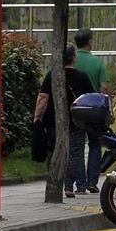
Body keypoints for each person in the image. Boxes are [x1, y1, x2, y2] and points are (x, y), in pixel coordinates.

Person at [33, 44, 94, 198]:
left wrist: (36, 117)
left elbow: (42, 98)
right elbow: (90, 99)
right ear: (74, 58)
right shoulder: (82, 77)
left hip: (53, 120)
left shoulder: (52, 75)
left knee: (56, 151)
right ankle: (75, 185)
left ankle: (61, 183)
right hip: (77, 120)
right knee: (76, 152)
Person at [72, 29, 109, 194]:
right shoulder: (97, 62)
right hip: (94, 112)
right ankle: (92, 181)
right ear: (89, 42)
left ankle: (79, 183)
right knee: (95, 145)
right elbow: (105, 88)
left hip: (75, 111)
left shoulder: (72, 61)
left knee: (78, 148)